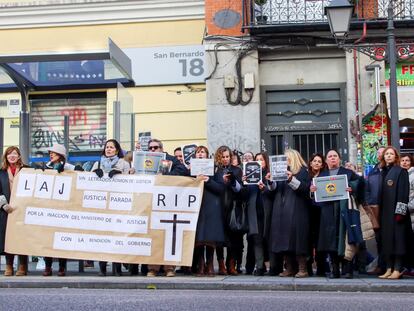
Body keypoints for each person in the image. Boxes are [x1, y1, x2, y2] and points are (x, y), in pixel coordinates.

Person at [311, 149, 364, 279]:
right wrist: (313, 192)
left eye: (335, 156)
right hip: (327, 212)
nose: (333, 158)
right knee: (330, 241)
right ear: (326, 160)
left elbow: (361, 184)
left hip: (344, 211)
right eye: (330, 156)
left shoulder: (348, 173)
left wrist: (352, 187)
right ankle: (334, 269)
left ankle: (347, 269)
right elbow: (316, 200)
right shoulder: (321, 176)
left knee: (346, 239)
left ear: (339, 159)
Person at [146, 139, 188, 277]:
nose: (152, 150)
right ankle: (153, 268)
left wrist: (164, 176)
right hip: (151, 203)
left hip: (168, 203)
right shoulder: (143, 160)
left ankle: (169, 268)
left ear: (161, 148)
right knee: (154, 237)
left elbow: (182, 171)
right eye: (150, 148)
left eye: (155, 147)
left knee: (169, 236)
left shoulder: (170, 159)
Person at [91, 139, 131, 276]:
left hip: (118, 204)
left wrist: (120, 176)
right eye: (107, 147)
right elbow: (89, 182)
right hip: (101, 205)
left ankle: (118, 267)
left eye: (111, 147)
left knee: (117, 236)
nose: (108, 149)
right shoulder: (97, 163)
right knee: (103, 237)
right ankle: (102, 266)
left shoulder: (124, 163)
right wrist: (95, 173)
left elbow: (131, 182)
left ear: (117, 150)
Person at [268, 149, 310, 277]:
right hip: (281, 210)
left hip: (297, 210)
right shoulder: (280, 172)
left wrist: (291, 178)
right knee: (284, 239)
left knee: (297, 239)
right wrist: (270, 181)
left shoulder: (302, 171)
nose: (284, 161)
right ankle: (290, 267)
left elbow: (304, 188)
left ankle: (303, 268)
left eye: (287, 158)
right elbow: (273, 190)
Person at [193, 146, 226, 276]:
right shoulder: (190, 170)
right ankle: (201, 264)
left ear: (207, 155)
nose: (200, 154)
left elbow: (221, 189)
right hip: (197, 206)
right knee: (199, 237)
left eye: (203, 152)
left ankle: (210, 264)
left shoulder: (216, 171)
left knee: (210, 236)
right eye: (198, 152)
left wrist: (208, 180)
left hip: (211, 206)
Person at [378, 147, 411, 279]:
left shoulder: (400, 172)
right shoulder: (383, 172)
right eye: (387, 154)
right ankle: (388, 268)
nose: (389, 156)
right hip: (385, 213)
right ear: (383, 157)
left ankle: (397, 269)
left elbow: (404, 193)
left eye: (391, 154)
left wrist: (400, 212)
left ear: (396, 156)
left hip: (397, 214)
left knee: (398, 241)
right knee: (387, 241)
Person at [43, 144, 75, 276]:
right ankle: (48, 266)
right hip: (49, 206)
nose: (51, 154)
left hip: (63, 207)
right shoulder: (46, 166)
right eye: (50, 152)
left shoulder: (70, 168)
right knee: (47, 238)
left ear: (61, 155)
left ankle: (62, 267)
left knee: (62, 239)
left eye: (54, 153)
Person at [213, 146, 244, 275]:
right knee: (219, 239)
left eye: (227, 157)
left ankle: (231, 264)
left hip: (232, 207)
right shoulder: (215, 171)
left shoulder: (237, 170)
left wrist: (232, 182)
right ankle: (221, 265)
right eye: (223, 157)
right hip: (218, 207)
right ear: (219, 157)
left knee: (233, 238)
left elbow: (240, 190)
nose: (225, 159)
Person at [0, 146, 29, 276]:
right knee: (8, 238)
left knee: (22, 237)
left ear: (19, 156)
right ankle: (9, 265)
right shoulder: (1, 172)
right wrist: (3, 204)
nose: (12, 156)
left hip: (23, 209)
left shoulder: (27, 170)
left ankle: (22, 265)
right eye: (9, 154)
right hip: (7, 210)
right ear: (6, 157)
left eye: (15, 153)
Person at [244, 152, 271, 276]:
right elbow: (244, 195)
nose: (259, 162)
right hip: (255, 213)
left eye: (262, 159)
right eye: (257, 160)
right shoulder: (250, 174)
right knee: (257, 240)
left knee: (270, 240)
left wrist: (265, 188)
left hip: (269, 212)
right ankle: (259, 267)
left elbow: (274, 191)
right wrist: (244, 182)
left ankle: (274, 266)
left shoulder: (269, 175)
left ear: (266, 162)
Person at [365, 147, 385, 275]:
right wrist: (369, 202)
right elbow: (367, 188)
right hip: (375, 209)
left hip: (388, 208)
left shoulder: (392, 170)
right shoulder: (373, 171)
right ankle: (381, 265)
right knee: (379, 239)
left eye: (383, 152)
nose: (380, 155)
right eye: (379, 153)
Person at [308, 153, 327, 276]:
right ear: (310, 163)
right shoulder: (306, 175)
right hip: (308, 211)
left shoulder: (325, 176)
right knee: (309, 240)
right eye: (314, 161)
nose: (316, 163)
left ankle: (321, 267)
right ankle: (308, 267)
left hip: (322, 211)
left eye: (319, 161)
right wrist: (310, 191)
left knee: (321, 240)